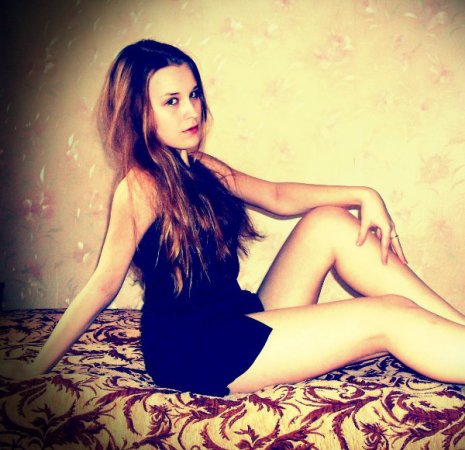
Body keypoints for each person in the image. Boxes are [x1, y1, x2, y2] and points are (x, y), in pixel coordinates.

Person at [1, 39, 465, 397]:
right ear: (139, 111)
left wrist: (364, 195)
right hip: (198, 350)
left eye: (194, 94)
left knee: (329, 221)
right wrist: (36, 366)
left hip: (236, 317)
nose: (192, 110)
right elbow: (102, 286)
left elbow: (276, 196)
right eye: (172, 101)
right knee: (391, 315)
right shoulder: (140, 186)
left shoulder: (198, 165)